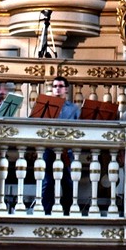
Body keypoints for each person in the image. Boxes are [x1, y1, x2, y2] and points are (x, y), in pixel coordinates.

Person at [41, 76, 81, 214]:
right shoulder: (45, 105)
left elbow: (80, 128)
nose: (57, 89)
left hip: (67, 150)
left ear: (66, 89)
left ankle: (68, 210)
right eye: (55, 86)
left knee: (68, 181)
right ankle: (46, 210)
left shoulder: (74, 108)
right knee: (48, 181)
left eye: (60, 86)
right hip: (48, 148)